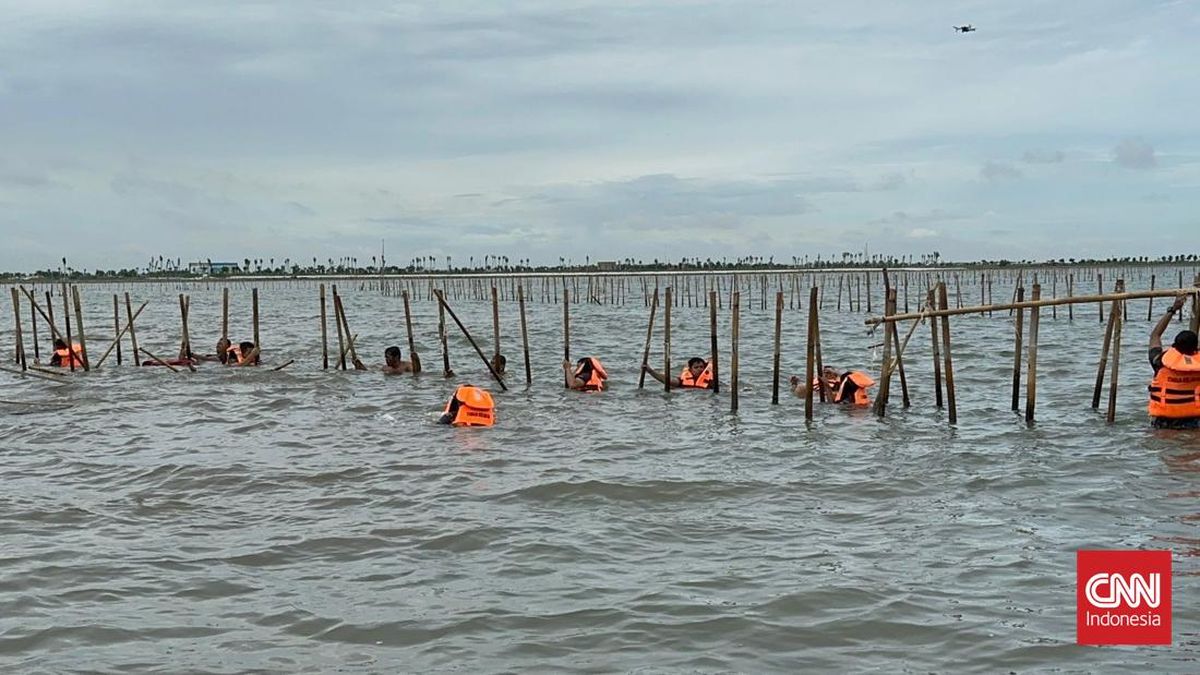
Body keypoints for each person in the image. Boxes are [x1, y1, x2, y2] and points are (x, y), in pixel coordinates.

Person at [1148, 294, 1200, 428]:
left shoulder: (1159, 362)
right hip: (1195, 422)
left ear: (1174, 347)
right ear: (1196, 349)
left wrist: (1173, 309)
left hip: (1164, 423)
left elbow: (1155, 335)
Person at [790, 366, 875, 406]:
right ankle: (794, 384)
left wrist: (833, 374)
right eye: (824, 372)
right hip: (814, 392)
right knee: (801, 388)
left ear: (834, 375)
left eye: (828, 373)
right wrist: (795, 383)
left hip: (826, 394)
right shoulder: (816, 379)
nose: (826, 374)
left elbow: (845, 378)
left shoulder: (839, 381)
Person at [642, 357, 714, 389]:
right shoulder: (682, 381)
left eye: (701, 367)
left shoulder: (710, 382)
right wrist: (650, 371)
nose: (699, 369)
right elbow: (667, 380)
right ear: (690, 369)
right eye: (696, 367)